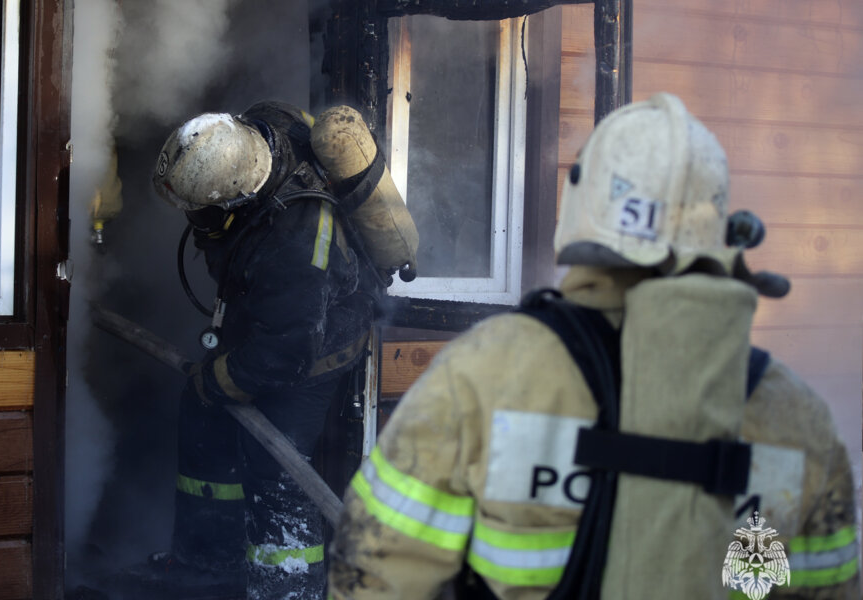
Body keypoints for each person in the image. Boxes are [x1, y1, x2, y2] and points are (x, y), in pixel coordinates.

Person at [327, 93, 861, 600]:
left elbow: (372, 572)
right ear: (718, 225)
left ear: (584, 203)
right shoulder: (796, 418)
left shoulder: (488, 370)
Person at [143, 101, 415, 599]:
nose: (196, 223)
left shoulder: (298, 247)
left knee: (275, 465)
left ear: (236, 199)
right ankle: (208, 563)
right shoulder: (265, 126)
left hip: (314, 348)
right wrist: (211, 386)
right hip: (270, 321)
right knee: (203, 416)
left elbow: (287, 352)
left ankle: (285, 585)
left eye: (204, 214)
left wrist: (218, 378)